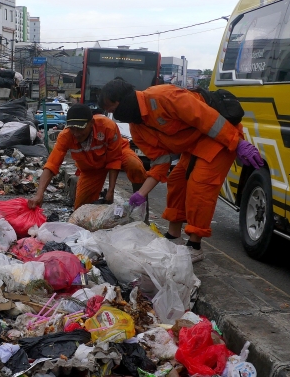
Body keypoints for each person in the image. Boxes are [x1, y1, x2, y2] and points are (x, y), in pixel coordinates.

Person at [97, 79, 263, 263]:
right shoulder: (138, 128)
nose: (114, 115)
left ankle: (195, 246)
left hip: (219, 138)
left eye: (112, 109)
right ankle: (174, 237)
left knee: (200, 186)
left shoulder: (164, 97)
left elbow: (208, 120)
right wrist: (141, 193)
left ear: (123, 100)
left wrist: (238, 143)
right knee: (177, 181)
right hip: (193, 146)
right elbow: (161, 162)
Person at [27, 104, 147, 211]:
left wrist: (111, 190)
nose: (76, 133)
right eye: (72, 128)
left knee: (135, 166)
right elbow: (52, 164)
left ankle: (141, 207)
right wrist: (39, 194)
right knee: (80, 211)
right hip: (91, 168)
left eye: (80, 129)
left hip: (118, 153)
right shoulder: (66, 136)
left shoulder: (107, 127)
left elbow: (114, 159)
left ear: (91, 123)